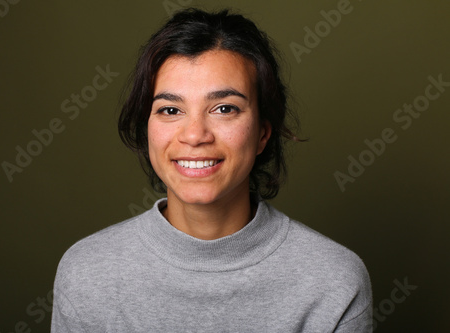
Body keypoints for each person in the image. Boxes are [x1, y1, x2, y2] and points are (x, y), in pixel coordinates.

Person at [51, 8, 372, 332]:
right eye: (171, 109)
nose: (194, 135)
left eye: (224, 108)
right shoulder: (87, 272)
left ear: (263, 132)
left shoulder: (333, 280)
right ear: (146, 128)